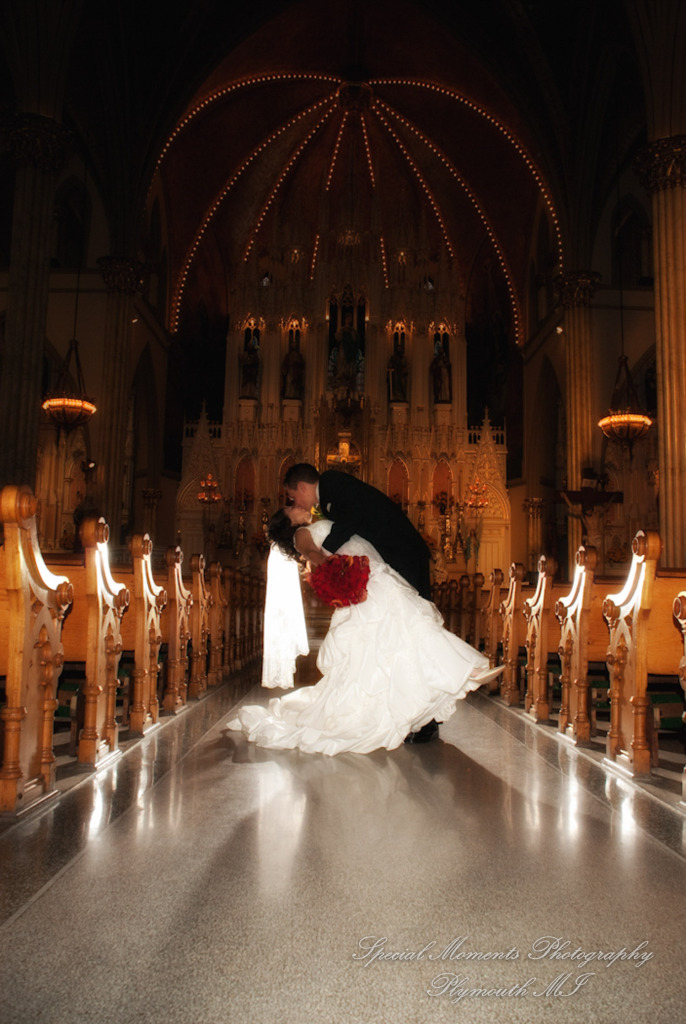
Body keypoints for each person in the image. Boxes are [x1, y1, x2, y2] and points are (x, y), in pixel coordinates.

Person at [225, 507, 501, 756]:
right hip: (368, 580)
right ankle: (464, 670)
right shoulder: (301, 535)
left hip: (376, 574)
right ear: (288, 522)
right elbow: (314, 556)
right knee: (407, 629)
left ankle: (459, 671)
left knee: (407, 631)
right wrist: (341, 572)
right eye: (290, 508)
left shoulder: (315, 523)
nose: (295, 506)